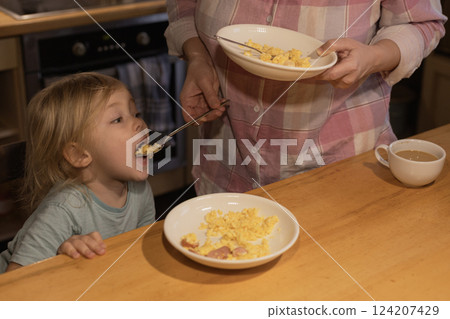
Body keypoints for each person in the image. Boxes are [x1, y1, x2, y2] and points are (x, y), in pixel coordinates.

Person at [164, 0, 447, 195]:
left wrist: (374, 57)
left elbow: (423, 22)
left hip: (340, 164)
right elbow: (184, 7)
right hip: (227, 157)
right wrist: (198, 57)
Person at [0, 72, 156, 273]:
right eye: (118, 119)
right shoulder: (62, 210)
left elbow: (140, 251)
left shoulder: (140, 190)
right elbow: (15, 285)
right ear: (79, 154)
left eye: (136, 113)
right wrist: (59, 259)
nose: (139, 124)